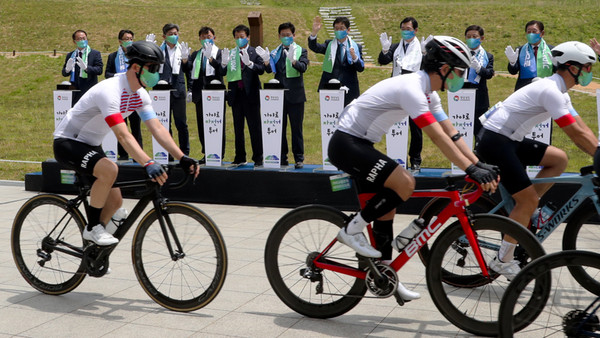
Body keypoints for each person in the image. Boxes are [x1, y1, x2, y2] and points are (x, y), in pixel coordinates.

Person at [327, 36, 499, 302]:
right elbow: (436, 137)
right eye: (460, 71)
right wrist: (470, 169)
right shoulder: (412, 88)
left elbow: (451, 133)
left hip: (362, 144)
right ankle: (351, 229)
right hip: (346, 143)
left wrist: (477, 163)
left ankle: (384, 275)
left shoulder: (428, 93)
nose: (462, 77)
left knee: (386, 212)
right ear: (444, 68)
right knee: (405, 183)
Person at [53, 41, 200, 246]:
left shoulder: (140, 94)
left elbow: (157, 129)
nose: (156, 73)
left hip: (91, 144)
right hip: (68, 142)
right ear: (136, 67)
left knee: (115, 202)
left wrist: (182, 157)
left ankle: (93, 251)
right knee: (109, 169)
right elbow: (123, 135)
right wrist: (148, 162)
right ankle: (92, 228)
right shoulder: (110, 90)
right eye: (153, 68)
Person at [476, 41, 598, 279]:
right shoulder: (551, 91)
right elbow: (574, 134)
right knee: (527, 200)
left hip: (509, 138)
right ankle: (503, 258)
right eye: (587, 67)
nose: (589, 73)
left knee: (559, 159)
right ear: (572, 68)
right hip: (495, 141)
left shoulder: (558, 90)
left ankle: (528, 211)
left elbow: (583, 128)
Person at [256, 22, 309, 169]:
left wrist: (293, 60)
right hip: (277, 96)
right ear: (279, 36)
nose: (286, 37)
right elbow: (269, 71)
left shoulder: (301, 51)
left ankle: (299, 158)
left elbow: (303, 68)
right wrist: (266, 61)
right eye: (283, 35)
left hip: (296, 95)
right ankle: (282, 157)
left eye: (288, 35)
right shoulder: (275, 52)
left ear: (294, 35)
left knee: (296, 129)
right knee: (280, 128)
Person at [378, 17, 426, 171]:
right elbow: (383, 61)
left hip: (414, 91)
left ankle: (415, 159)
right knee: (395, 125)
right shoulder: (395, 46)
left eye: (409, 29)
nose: (406, 32)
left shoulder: (422, 48)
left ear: (416, 30)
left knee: (415, 127)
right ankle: (396, 158)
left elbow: (427, 68)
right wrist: (385, 50)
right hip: (396, 91)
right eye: (403, 29)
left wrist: (425, 54)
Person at [221, 24, 266, 167]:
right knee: (237, 127)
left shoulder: (255, 52)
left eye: (242, 37)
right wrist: (223, 63)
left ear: (248, 37)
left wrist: (250, 63)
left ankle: (258, 157)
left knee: (255, 127)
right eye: (237, 37)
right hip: (236, 95)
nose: (239, 39)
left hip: (251, 95)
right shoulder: (231, 53)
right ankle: (240, 156)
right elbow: (222, 72)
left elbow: (261, 70)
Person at [146, 23, 191, 157]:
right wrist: (150, 51)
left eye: (175, 34)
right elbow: (149, 69)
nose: (173, 36)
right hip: (161, 91)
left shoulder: (183, 49)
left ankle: (184, 153)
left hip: (178, 90)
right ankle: (168, 153)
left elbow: (189, 70)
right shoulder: (158, 49)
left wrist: (185, 61)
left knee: (181, 123)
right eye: (170, 34)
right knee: (164, 124)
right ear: (164, 36)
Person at [186, 26, 225, 164]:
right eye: (203, 37)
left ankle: (218, 153)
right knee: (202, 125)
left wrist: (212, 60)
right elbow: (188, 71)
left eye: (208, 37)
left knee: (216, 123)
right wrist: (185, 60)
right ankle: (206, 153)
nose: (206, 39)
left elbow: (222, 70)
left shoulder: (219, 52)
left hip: (215, 94)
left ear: (214, 37)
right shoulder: (196, 54)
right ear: (199, 39)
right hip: (199, 94)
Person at [308, 16, 365, 107]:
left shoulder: (355, 47)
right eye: (336, 28)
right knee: (330, 117)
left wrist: (354, 57)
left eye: (342, 28)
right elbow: (314, 47)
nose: (339, 31)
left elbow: (361, 68)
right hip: (330, 87)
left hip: (349, 89)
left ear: (348, 30)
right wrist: (314, 33)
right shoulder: (329, 44)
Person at [105, 29, 143, 161]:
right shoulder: (113, 56)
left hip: (134, 95)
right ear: (120, 41)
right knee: (121, 127)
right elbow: (107, 74)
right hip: (118, 96)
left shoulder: (137, 57)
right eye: (126, 39)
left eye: (131, 38)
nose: (129, 41)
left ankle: (139, 153)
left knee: (135, 126)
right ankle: (123, 154)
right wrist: (118, 76)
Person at [462, 25, 494, 139]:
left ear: (481, 38)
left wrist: (479, 69)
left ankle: (479, 155)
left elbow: (490, 74)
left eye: (474, 36)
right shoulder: (460, 54)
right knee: (462, 128)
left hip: (479, 97)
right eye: (468, 36)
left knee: (479, 130)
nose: (471, 39)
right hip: (461, 94)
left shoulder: (488, 56)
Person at [506, 20, 553, 91]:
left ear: (542, 33)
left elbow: (558, 72)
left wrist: (557, 64)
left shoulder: (552, 50)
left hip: (546, 89)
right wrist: (512, 63)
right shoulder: (520, 50)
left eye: (534, 32)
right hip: (524, 89)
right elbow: (513, 72)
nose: (531, 34)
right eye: (529, 32)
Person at [61, 30, 104, 104]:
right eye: (79, 39)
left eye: (84, 38)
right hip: (75, 91)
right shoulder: (71, 55)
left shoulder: (95, 54)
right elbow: (64, 73)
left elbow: (99, 70)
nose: (82, 40)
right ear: (74, 41)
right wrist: (67, 69)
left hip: (89, 89)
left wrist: (87, 68)